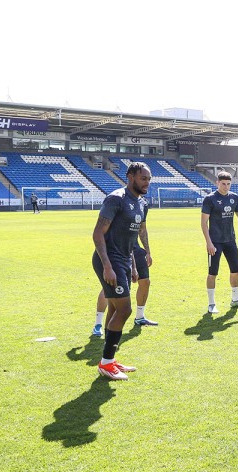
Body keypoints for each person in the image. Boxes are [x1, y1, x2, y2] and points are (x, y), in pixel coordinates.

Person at [91, 162, 152, 380]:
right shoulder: (116, 199)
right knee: (124, 310)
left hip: (125, 260)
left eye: (149, 179)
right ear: (130, 177)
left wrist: (133, 266)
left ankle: (110, 359)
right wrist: (107, 265)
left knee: (115, 310)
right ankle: (106, 363)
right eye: (143, 178)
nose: (147, 183)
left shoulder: (142, 204)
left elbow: (132, 238)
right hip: (109, 259)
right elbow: (98, 234)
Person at [201, 171, 238, 314]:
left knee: (236, 270)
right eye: (223, 183)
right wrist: (209, 242)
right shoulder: (210, 199)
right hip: (215, 242)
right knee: (213, 272)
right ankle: (211, 304)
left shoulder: (234, 198)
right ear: (217, 183)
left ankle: (235, 299)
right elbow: (204, 223)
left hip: (230, 240)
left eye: (228, 184)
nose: (226, 186)